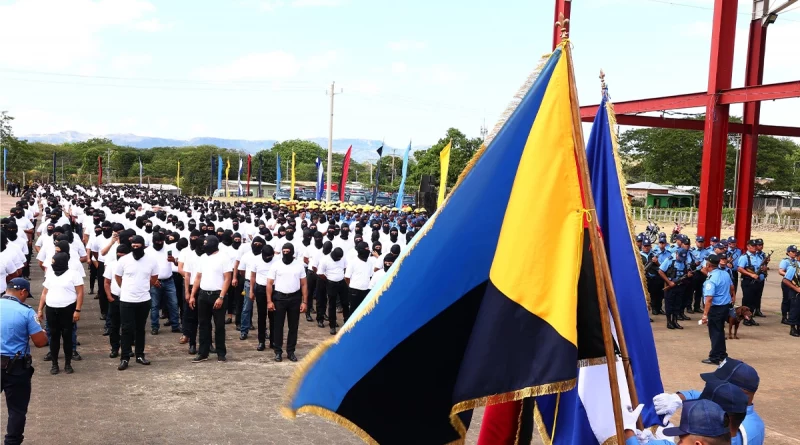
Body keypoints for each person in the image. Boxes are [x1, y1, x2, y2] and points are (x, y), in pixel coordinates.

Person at [654, 358, 765, 444]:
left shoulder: (736, 430)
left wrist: (667, 442)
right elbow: (698, 395)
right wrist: (678, 398)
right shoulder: (733, 409)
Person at [1, 278, 47, 445]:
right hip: (15, 367)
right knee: (16, 410)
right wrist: (43, 332)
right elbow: (40, 342)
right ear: (23, 292)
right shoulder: (26, 312)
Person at [115, 235, 159, 370]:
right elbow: (118, 276)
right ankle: (125, 358)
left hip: (144, 300)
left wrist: (145, 288)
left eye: (137, 246)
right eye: (133, 246)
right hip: (127, 300)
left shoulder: (151, 261)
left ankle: (140, 355)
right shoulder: (124, 260)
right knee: (126, 329)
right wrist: (126, 289)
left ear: (143, 246)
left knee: (140, 328)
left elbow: (154, 277)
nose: (135, 248)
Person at [36, 252, 84, 375]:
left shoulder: (74, 274)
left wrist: (77, 310)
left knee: (67, 337)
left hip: (68, 309)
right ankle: (54, 364)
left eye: (54, 262)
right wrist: (40, 309)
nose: (52, 265)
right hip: (52, 309)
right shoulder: (50, 275)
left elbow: (79, 293)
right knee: (53, 337)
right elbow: (44, 293)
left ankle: (68, 363)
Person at [188, 235, 232, 363]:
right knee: (203, 325)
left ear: (213, 244)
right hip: (203, 295)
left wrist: (221, 297)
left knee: (219, 325)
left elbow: (227, 278)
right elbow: (197, 278)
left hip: (217, 295)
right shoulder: (203, 258)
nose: (203, 246)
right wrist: (192, 295)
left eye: (206, 243)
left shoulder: (224, 258)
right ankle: (203, 352)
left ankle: (221, 353)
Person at [266, 243, 308, 362]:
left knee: (293, 326)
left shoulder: (299, 266)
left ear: (292, 252)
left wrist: (304, 302)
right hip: (279, 298)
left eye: (288, 251)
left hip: (295, 298)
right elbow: (269, 283)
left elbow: (304, 284)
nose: (285, 253)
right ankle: (278, 351)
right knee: (278, 326)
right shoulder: (276, 265)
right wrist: (269, 301)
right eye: (283, 251)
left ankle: (291, 351)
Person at [700, 254, 733, 365]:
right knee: (720, 331)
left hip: (716, 308)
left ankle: (715, 357)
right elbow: (731, 288)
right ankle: (722, 355)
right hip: (725, 307)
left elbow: (709, 298)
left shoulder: (711, 279)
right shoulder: (725, 274)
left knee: (715, 333)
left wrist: (705, 314)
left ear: (709, 264)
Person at [146, 232, 181, 335]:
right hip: (155, 281)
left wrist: (174, 260)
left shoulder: (168, 249)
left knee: (174, 303)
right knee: (155, 305)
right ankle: (154, 326)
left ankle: (175, 325)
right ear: (153, 241)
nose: (159, 243)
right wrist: (152, 280)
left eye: (161, 241)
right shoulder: (147, 251)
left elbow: (177, 263)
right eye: (157, 242)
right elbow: (145, 268)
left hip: (169, 280)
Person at [103, 244, 130, 358]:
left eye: (122, 256)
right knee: (114, 326)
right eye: (118, 255)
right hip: (115, 298)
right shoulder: (112, 265)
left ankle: (127, 349)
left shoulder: (131, 265)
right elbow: (106, 282)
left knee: (127, 326)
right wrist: (109, 296)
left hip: (128, 299)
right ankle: (114, 348)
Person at [318, 246, 348, 335]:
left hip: (342, 282)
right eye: (337, 258)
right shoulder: (325, 260)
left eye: (340, 258)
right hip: (331, 283)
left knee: (345, 303)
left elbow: (346, 267)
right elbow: (320, 273)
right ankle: (332, 325)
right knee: (332, 305)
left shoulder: (342, 258)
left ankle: (347, 322)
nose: (338, 259)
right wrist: (328, 279)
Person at [658, 248, 691, 330]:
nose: (681, 259)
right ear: (676, 254)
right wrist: (668, 282)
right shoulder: (669, 260)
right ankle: (669, 322)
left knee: (678, 304)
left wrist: (688, 274)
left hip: (680, 286)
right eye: (680, 257)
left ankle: (675, 321)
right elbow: (660, 271)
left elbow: (688, 271)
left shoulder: (684, 261)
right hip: (670, 286)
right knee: (669, 304)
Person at [736, 241, 763, 327]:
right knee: (748, 300)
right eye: (753, 246)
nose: (755, 247)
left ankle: (750, 318)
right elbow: (740, 268)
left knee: (755, 300)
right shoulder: (744, 257)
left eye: (756, 246)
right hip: (748, 281)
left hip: (757, 281)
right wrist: (751, 274)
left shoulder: (759, 256)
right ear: (748, 247)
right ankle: (745, 318)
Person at [345, 241, 373, 314]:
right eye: (366, 249)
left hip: (366, 290)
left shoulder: (369, 262)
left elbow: (370, 276)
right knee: (353, 310)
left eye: (368, 248)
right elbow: (347, 277)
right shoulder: (353, 262)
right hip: (355, 290)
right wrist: (351, 287)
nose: (368, 250)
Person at [777, 245, 797, 326]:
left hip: (795, 283)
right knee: (786, 299)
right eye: (792, 252)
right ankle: (784, 317)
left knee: (793, 300)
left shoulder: (796, 261)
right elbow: (781, 271)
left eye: (795, 252)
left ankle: (790, 316)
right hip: (787, 282)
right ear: (788, 253)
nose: (794, 253)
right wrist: (790, 276)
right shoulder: (785, 261)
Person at [780, 261, 800, 337]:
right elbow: (785, 280)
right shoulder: (794, 267)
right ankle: (793, 328)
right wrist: (796, 288)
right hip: (796, 293)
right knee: (795, 310)